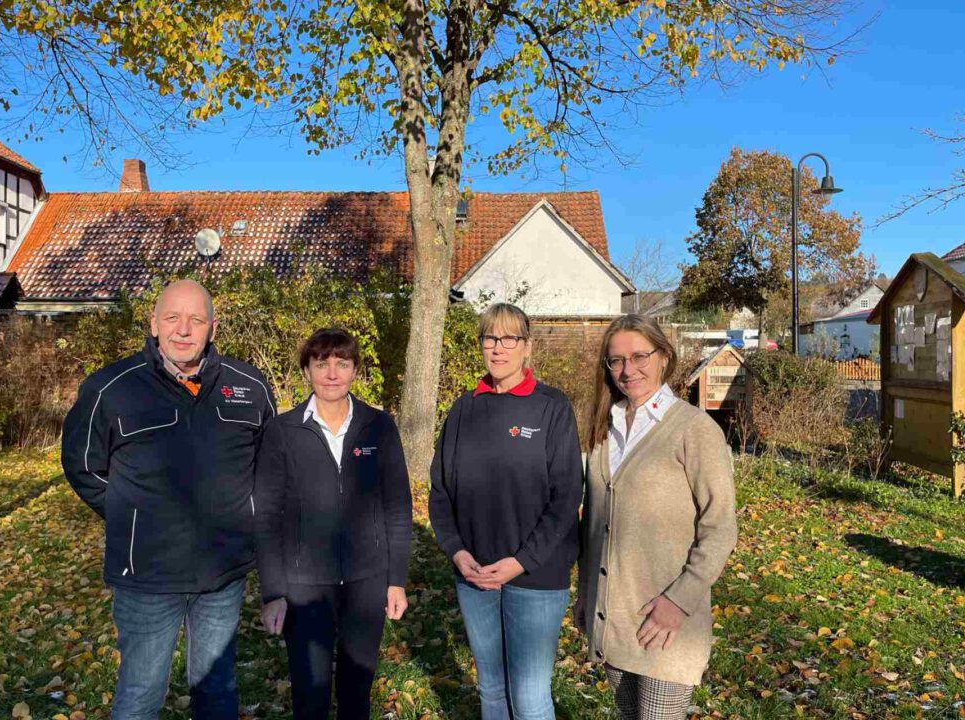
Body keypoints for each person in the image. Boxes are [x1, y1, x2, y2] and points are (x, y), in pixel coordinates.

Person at [61, 279, 276, 720]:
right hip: (147, 575)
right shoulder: (111, 388)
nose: (184, 329)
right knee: (141, 693)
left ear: (213, 328)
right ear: (154, 324)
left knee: (217, 689)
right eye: (173, 318)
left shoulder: (248, 386)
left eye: (196, 319)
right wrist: (133, 516)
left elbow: (270, 466)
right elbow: (84, 466)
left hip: (223, 572)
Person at [576, 314, 737, 720]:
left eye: (638, 356)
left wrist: (679, 602)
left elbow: (720, 528)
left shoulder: (693, 429)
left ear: (663, 357)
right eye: (616, 361)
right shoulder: (603, 430)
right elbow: (593, 524)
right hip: (615, 617)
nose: (628, 370)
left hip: (668, 625)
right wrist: (585, 593)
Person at [429, 303, 583, 720]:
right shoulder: (463, 410)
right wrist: (458, 553)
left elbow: (567, 496)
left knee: (530, 697)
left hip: (536, 576)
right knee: (492, 690)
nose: (498, 348)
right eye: (490, 338)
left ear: (527, 347)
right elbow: (440, 491)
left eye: (509, 338)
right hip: (474, 575)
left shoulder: (550, 407)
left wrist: (521, 562)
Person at [256, 328, 412, 720]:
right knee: (311, 697)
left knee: (357, 695)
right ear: (307, 369)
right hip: (304, 587)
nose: (331, 373)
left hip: (367, 582)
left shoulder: (378, 427)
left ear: (355, 370)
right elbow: (267, 515)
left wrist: (396, 580)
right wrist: (273, 592)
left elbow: (397, 506)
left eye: (342, 364)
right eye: (321, 363)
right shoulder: (282, 431)